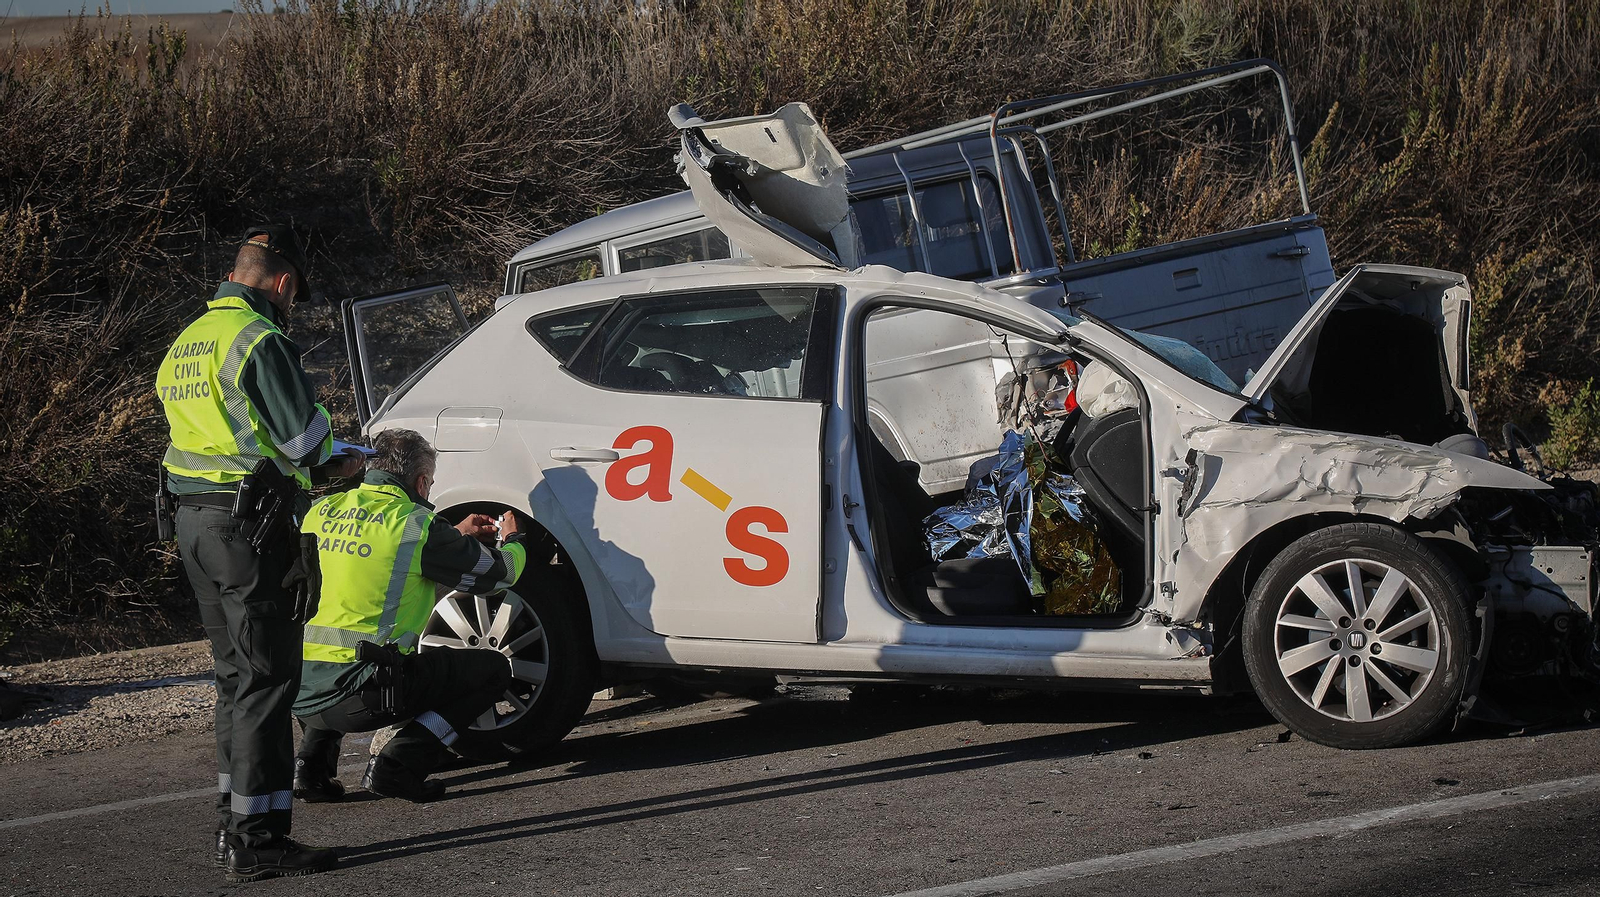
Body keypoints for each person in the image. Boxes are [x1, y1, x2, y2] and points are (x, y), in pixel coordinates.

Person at [157, 224, 363, 882]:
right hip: (249, 529)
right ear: (281, 282)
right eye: (294, 295)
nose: (291, 305)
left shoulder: (188, 340)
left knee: (235, 680)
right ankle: (260, 839)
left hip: (195, 522)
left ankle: (234, 822)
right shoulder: (259, 339)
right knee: (268, 682)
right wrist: (338, 451)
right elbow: (304, 443)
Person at [292, 428, 525, 803]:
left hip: (299, 686)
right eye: (430, 483)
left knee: (334, 651)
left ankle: (310, 769)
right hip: (366, 696)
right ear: (420, 482)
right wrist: (514, 541)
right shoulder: (416, 526)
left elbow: (376, 556)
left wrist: (454, 536)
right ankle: (398, 765)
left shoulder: (321, 510)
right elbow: (501, 575)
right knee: (492, 671)